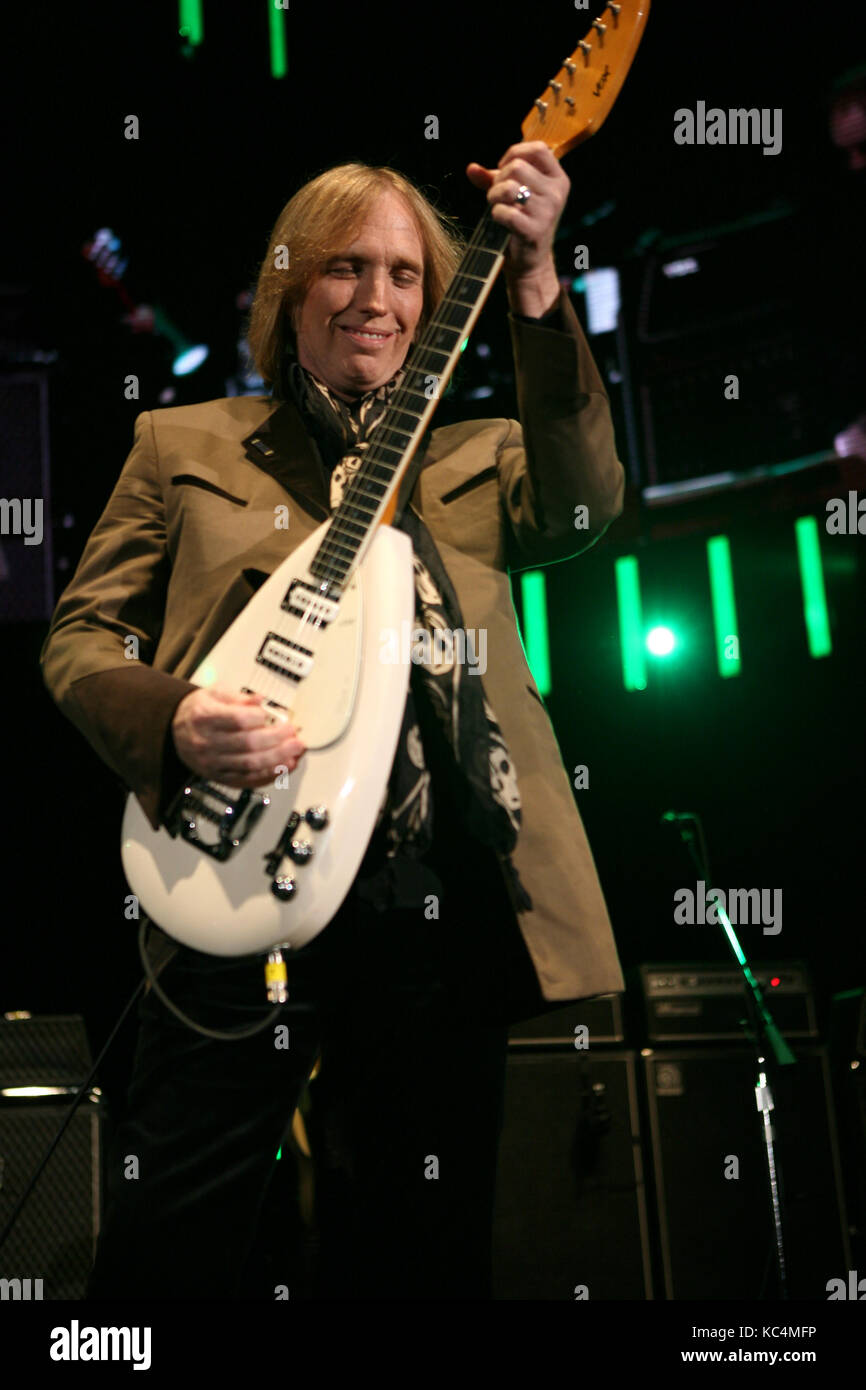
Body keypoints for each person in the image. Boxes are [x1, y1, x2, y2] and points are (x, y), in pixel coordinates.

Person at [40, 141, 626, 1300]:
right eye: (346, 268)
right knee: (171, 1246)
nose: (377, 299)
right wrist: (175, 719)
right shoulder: (186, 443)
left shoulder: (482, 453)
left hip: (434, 905)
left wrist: (536, 280)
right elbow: (80, 638)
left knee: (422, 1247)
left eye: (407, 274)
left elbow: (580, 505)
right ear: (291, 287)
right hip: (236, 891)